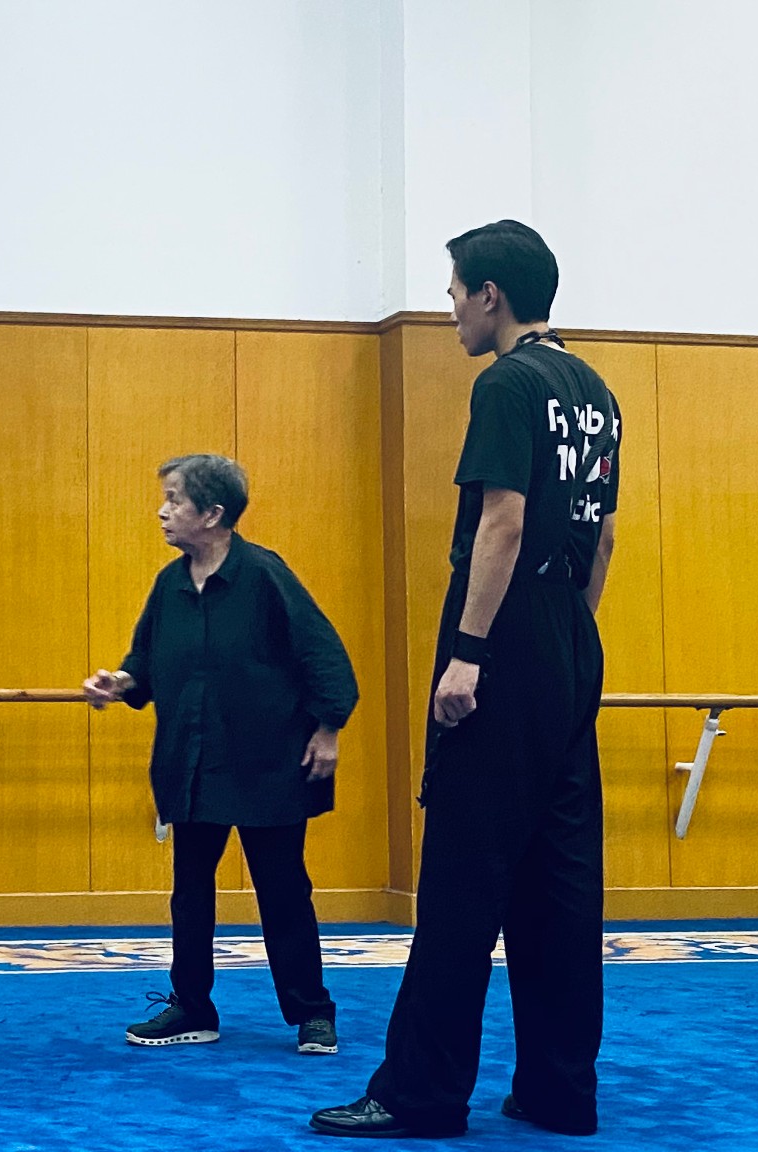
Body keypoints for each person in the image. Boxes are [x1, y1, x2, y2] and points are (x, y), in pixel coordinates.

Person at [311, 221, 620, 1138]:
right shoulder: (596, 393)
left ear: (491, 294)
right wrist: (566, 639)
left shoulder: (506, 384)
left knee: (459, 879)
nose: (449, 308)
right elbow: (603, 537)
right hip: (570, 641)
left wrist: (473, 651)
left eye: (453, 292)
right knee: (561, 883)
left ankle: (421, 1093)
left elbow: (503, 521)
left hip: (503, 645)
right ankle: (561, 1091)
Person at [84, 454, 358, 1056]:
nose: (162, 511)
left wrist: (329, 729)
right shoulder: (170, 584)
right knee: (190, 893)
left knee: (283, 892)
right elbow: (144, 662)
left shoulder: (265, 575)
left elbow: (324, 655)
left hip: (270, 763)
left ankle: (312, 1013)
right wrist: (120, 682)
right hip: (193, 763)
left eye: (174, 499)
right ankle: (193, 1008)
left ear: (212, 514)